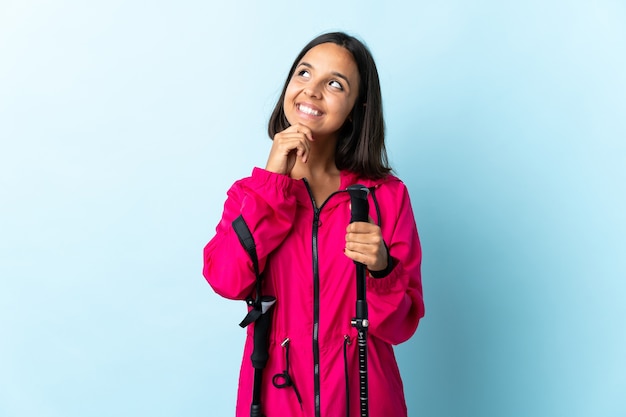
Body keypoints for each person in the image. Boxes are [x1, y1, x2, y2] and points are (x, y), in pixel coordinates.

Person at [203, 31, 424, 417]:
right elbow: (226, 279)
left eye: (335, 84)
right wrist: (272, 182)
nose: (312, 91)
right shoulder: (249, 194)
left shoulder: (386, 197)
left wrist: (381, 269)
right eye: (304, 74)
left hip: (366, 399)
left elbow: (402, 325)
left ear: (357, 106)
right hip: (275, 397)